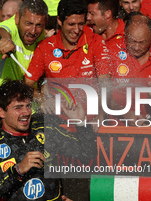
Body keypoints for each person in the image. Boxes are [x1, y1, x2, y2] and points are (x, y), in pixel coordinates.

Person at [24, 0, 110, 128]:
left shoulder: (94, 41)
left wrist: (100, 115)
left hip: (90, 122)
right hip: (57, 124)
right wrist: (43, 99)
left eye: (81, 24)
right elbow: (27, 84)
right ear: (59, 20)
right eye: (71, 24)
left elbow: (105, 83)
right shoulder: (45, 47)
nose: (76, 30)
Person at [0, 0, 48, 86]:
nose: (33, 31)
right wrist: (5, 41)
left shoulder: (42, 34)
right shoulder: (9, 26)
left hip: (23, 96)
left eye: (39, 25)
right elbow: (1, 31)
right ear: (17, 18)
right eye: (28, 23)